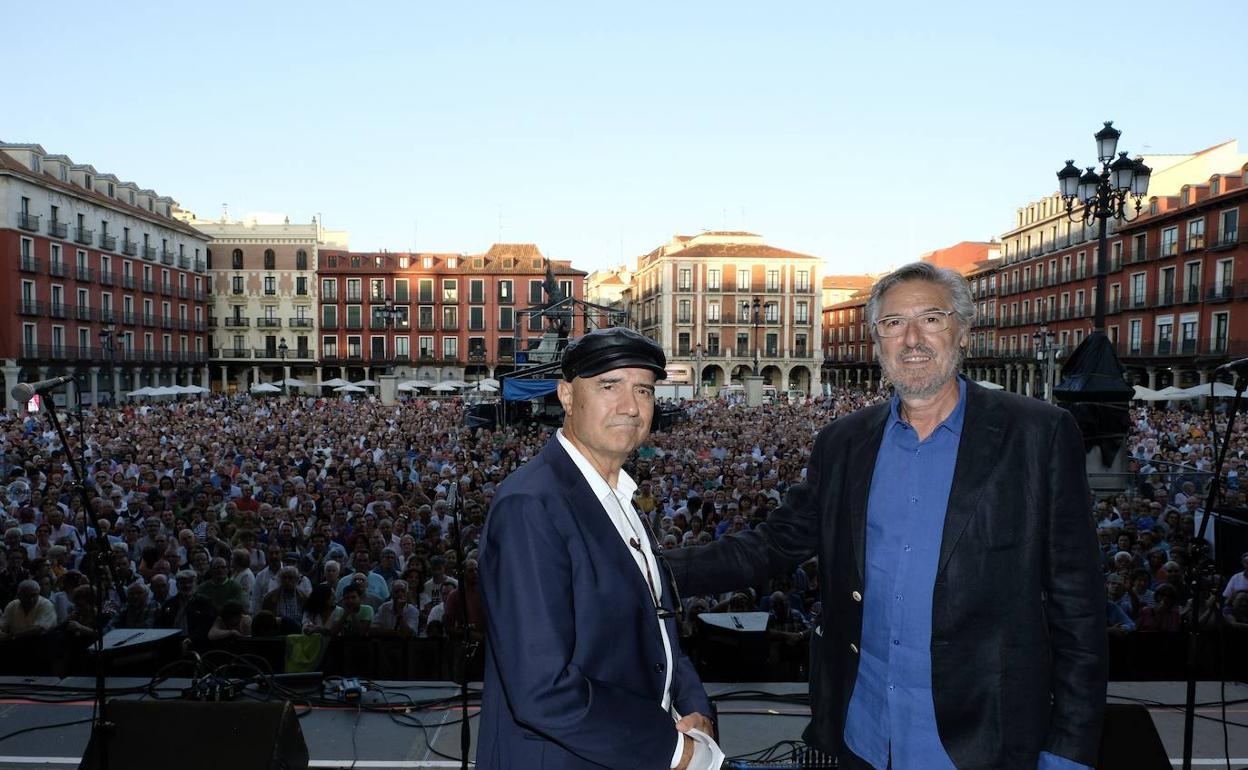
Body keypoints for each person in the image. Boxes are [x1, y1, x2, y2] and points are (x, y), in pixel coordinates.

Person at [666, 262, 1106, 770]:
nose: (912, 339)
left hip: (987, 736)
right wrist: (647, 565)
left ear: (963, 331)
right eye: (894, 323)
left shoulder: (1037, 435)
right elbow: (772, 544)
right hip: (864, 731)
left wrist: (1069, 750)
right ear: (877, 340)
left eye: (932, 319)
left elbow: (1079, 604)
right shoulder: (844, 442)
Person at [479, 327, 716, 770]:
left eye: (643, 390)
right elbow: (541, 688)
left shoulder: (620, 498)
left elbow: (658, 625)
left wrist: (694, 709)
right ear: (567, 396)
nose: (630, 406)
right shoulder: (530, 505)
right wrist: (674, 750)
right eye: (609, 386)